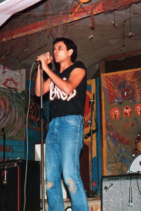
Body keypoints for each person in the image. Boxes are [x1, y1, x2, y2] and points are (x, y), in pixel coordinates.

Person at [35, 37, 89, 211]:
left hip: (71, 123)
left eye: (60, 48)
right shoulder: (54, 76)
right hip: (54, 126)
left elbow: (67, 88)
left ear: (70, 52)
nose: (55, 51)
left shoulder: (78, 67)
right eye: (54, 48)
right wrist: (40, 68)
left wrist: (47, 70)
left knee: (70, 175)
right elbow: (38, 91)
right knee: (50, 179)